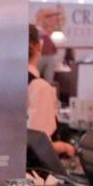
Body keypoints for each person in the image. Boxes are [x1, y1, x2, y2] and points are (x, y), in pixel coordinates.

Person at [28, 25, 75, 158]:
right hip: (30, 172)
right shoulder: (39, 87)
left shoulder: (6, 82)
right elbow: (37, 143)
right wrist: (65, 147)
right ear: (38, 46)